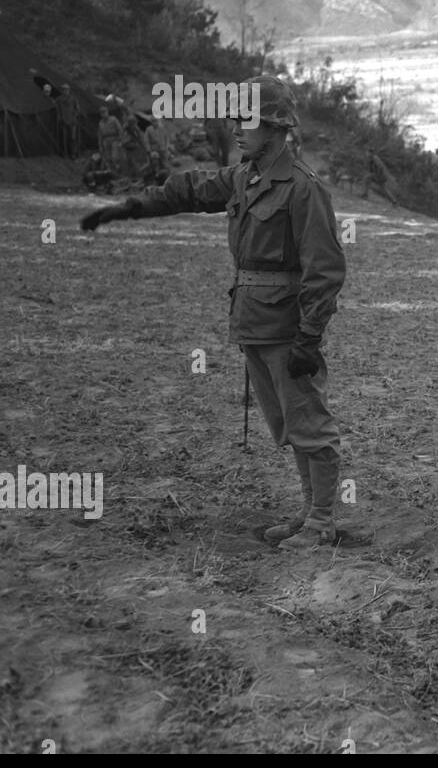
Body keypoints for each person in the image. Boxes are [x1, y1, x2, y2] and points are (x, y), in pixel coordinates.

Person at [79, 76, 352, 550]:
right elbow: (186, 191)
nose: (236, 129)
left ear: (275, 126)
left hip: (287, 329)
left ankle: (322, 522)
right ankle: (309, 513)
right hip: (253, 323)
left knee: (310, 424)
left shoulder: (303, 189)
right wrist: (128, 208)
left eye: (247, 120)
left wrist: (310, 337)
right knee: (289, 426)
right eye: (235, 120)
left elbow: (325, 270)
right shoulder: (244, 178)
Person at [97, 106, 125, 176]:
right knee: (108, 157)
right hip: (106, 140)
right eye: (102, 113)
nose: (103, 114)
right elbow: (100, 135)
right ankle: (112, 172)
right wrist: (100, 145)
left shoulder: (113, 119)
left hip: (114, 139)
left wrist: (121, 140)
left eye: (104, 112)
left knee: (114, 156)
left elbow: (119, 129)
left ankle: (118, 168)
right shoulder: (100, 123)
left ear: (108, 112)